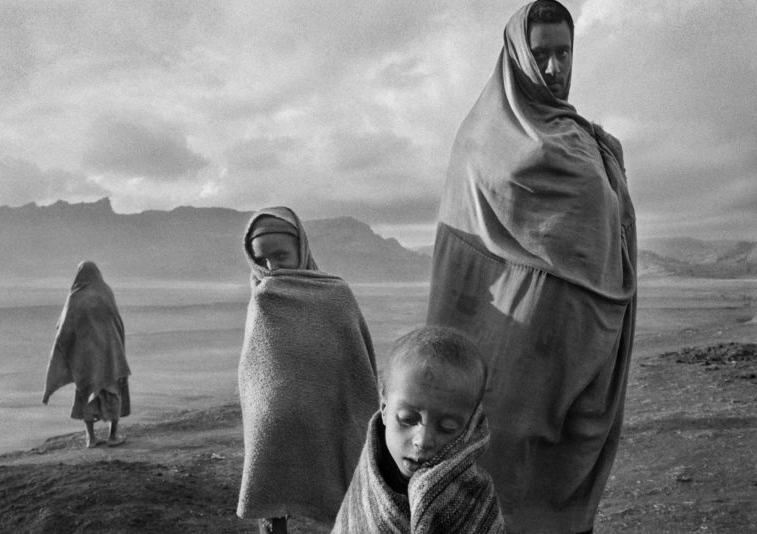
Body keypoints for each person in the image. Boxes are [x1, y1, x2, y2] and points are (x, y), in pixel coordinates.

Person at [426, 1, 637, 533]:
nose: (553, 69)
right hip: (509, 357)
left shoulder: (588, 141)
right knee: (500, 485)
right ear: (517, 54)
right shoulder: (480, 140)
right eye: (540, 54)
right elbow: (463, 266)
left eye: (563, 53)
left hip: (586, 348)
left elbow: (610, 239)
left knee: (569, 486)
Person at [236, 206, 379, 534]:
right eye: (262, 260)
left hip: (327, 411)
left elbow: (355, 361)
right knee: (273, 502)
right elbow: (254, 368)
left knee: (345, 492)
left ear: (302, 247)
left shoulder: (336, 294)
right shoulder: (260, 296)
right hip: (273, 423)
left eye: (281, 255)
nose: (272, 267)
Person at [332, 326, 505, 534]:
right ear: (385, 410)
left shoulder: (474, 498)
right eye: (407, 419)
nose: (422, 441)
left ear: (469, 428)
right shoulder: (370, 475)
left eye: (447, 427)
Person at [42, 261, 131, 448]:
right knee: (113, 391)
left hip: (85, 356)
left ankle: (91, 438)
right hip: (108, 353)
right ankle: (113, 436)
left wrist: (67, 348)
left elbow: (64, 327)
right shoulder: (105, 292)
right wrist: (119, 349)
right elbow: (116, 323)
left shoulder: (76, 296)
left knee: (86, 391)